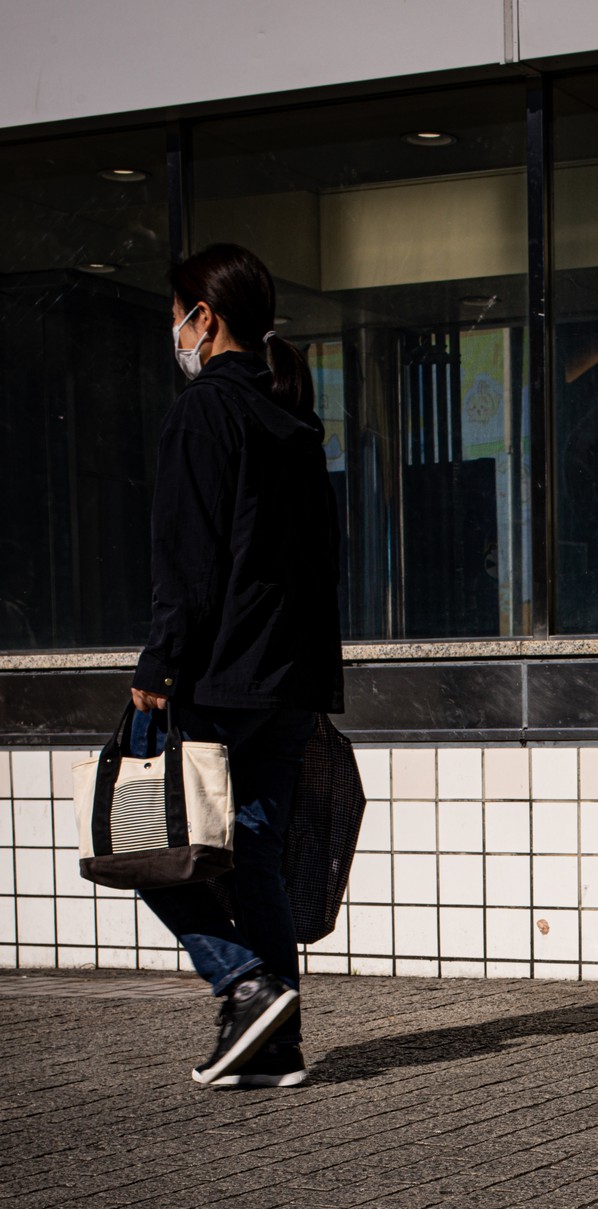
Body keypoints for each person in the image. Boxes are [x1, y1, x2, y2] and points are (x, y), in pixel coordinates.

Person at [131, 242, 343, 1086]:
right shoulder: (293, 417)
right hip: (289, 678)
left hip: (221, 671)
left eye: (176, 316)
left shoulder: (205, 414)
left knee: (143, 842)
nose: (173, 332)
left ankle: (242, 981)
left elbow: (189, 560)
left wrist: (160, 662)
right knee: (252, 851)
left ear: (203, 318)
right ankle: (276, 1043)